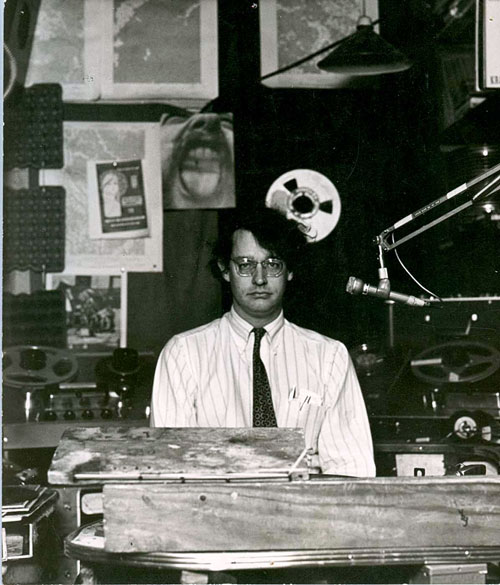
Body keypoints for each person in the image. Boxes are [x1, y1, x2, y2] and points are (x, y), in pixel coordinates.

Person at [150, 208, 375, 477]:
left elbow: (352, 468)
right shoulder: (183, 354)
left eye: (273, 264)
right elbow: (171, 470)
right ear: (225, 269)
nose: (259, 278)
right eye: (245, 265)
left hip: (304, 513)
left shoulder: (328, 357)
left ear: (289, 270)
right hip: (213, 512)